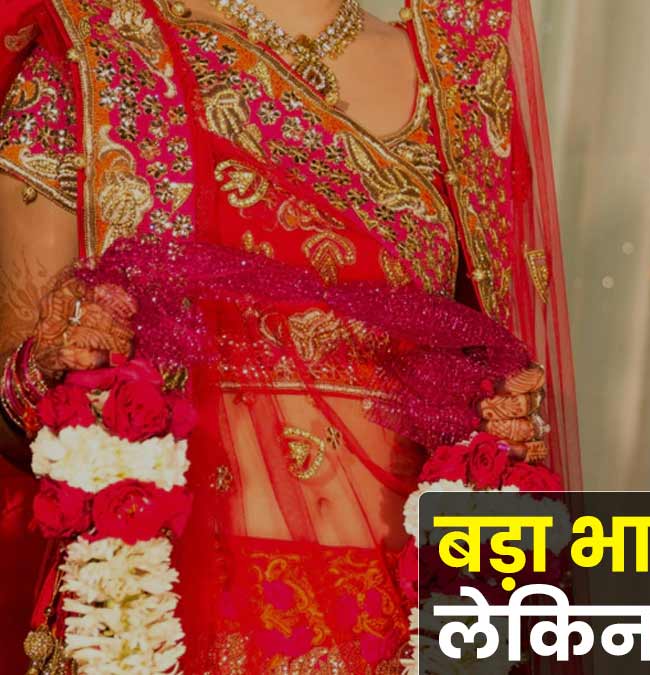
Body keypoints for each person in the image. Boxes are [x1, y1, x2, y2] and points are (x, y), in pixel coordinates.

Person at [0, 0, 578, 671]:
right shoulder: (97, 52)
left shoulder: (456, 78)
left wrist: (500, 422)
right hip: (168, 611)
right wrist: (56, 363)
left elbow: (490, 375)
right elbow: (19, 398)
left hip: (399, 622)